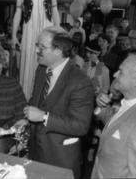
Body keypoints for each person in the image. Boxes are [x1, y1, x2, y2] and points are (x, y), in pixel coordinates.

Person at [23, 26, 94, 179]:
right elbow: (36, 103)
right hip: (35, 154)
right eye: (37, 45)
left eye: (41, 47)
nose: (36, 50)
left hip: (60, 159)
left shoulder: (81, 82)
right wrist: (24, 119)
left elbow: (81, 126)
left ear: (58, 50)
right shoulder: (42, 70)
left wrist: (44, 117)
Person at [91, 53, 136, 178]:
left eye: (121, 72)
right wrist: (101, 107)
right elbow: (118, 126)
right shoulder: (130, 103)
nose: (114, 74)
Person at [12, 0, 60, 100]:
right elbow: (18, 12)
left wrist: (59, 34)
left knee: (47, 62)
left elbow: (55, 10)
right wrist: (13, 35)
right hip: (29, 31)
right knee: (28, 63)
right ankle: (25, 98)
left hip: (47, 29)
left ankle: (45, 99)